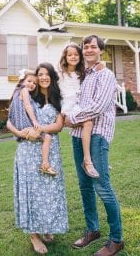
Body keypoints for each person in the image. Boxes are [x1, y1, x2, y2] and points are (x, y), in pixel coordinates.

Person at [64, 35, 124, 256]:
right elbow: (74, 100)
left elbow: (98, 107)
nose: (88, 50)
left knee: (102, 188)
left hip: (98, 135)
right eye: (85, 47)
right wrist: (71, 120)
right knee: (84, 186)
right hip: (78, 136)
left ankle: (116, 239)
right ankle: (93, 230)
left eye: (93, 47)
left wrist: (71, 119)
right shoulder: (84, 76)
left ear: (101, 50)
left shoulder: (106, 75)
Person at [7, 62, 68, 255]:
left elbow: (58, 126)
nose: (42, 78)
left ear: (52, 76)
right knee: (31, 192)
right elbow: (9, 120)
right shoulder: (29, 94)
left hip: (50, 150)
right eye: (39, 74)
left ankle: (46, 226)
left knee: (50, 190)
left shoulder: (59, 98)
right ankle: (34, 235)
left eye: (46, 74)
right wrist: (22, 133)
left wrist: (38, 129)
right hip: (27, 150)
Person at [59, 43, 105, 178]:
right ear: (65, 57)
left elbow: (96, 67)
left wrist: (102, 64)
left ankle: (95, 161)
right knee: (88, 123)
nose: (73, 57)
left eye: (76, 54)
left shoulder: (82, 73)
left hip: (78, 106)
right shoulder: (60, 74)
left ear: (80, 56)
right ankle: (87, 161)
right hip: (68, 107)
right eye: (70, 55)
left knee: (91, 125)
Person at [9, 69, 57, 176]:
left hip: (20, 127)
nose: (32, 84)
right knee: (47, 138)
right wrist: (34, 120)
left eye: (34, 83)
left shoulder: (16, 93)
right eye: (29, 81)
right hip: (25, 125)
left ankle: (44, 165)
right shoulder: (24, 90)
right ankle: (45, 164)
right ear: (22, 81)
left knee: (42, 138)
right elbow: (27, 105)